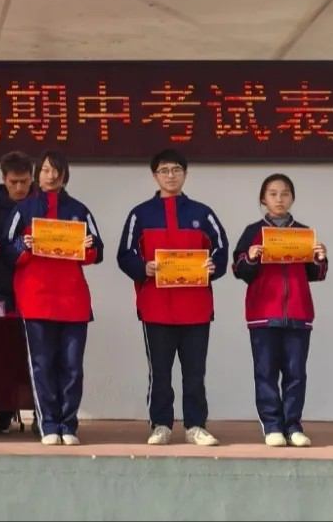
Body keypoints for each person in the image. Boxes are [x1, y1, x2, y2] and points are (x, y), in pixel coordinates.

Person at [116, 149, 228, 446]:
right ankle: (161, 424)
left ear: (185, 174)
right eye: (164, 170)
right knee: (160, 373)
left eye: (176, 169)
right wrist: (144, 267)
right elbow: (125, 255)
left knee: (195, 373)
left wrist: (213, 267)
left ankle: (196, 426)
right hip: (156, 308)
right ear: (155, 175)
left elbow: (221, 250)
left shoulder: (202, 213)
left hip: (196, 308)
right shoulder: (140, 214)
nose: (170, 175)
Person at [3, 151, 102, 445]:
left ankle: (68, 425)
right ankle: (48, 424)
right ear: (38, 174)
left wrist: (89, 246)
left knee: (72, 366)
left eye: (56, 170)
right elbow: (6, 250)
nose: (51, 175)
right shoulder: (23, 209)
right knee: (42, 365)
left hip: (73, 300)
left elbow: (98, 251)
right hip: (36, 300)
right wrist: (23, 245)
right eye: (45, 170)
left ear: (65, 175)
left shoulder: (79, 210)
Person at [232, 173, 327, 447]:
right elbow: (240, 270)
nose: (279, 199)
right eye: (273, 194)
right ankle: (272, 426)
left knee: (296, 374)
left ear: (292, 198)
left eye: (285, 193)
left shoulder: (304, 233)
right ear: (263, 199)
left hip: (298, 312)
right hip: (263, 314)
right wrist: (250, 257)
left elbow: (316, 274)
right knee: (266, 372)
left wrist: (320, 258)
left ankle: (293, 426)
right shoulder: (253, 232)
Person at [0, 150, 35, 434]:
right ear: (4, 179)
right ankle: (2, 412)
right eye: (14, 182)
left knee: (35, 351)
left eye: (24, 181)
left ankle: (40, 412)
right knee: (0, 351)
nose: (19, 187)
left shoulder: (41, 206)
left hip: (35, 288)